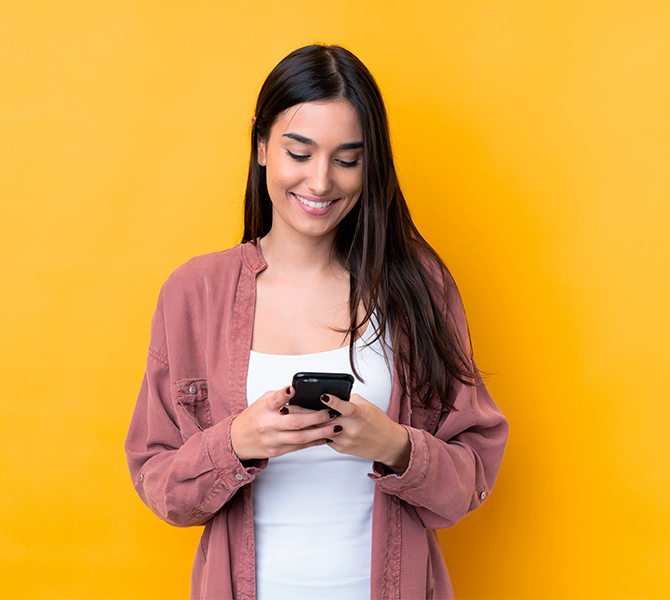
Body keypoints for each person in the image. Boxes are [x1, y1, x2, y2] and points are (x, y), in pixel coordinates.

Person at [125, 44, 508, 600]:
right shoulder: (193, 293)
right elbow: (160, 486)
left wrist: (396, 445)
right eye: (299, 153)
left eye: (347, 159)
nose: (321, 181)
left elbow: (471, 478)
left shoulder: (417, 285)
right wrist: (237, 441)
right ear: (261, 145)